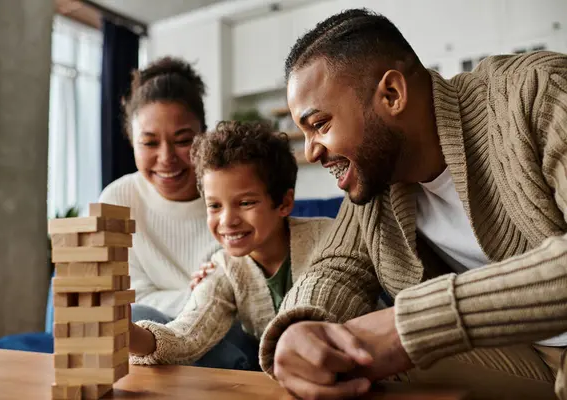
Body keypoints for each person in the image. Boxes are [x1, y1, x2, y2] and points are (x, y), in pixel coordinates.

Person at [257, 8, 567, 400]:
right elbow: (337, 268)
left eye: (319, 125)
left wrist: (412, 325)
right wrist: (298, 328)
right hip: (525, 359)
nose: (311, 151)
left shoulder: (540, 92)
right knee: (342, 362)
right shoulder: (377, 177)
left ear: (392, 95)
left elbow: (411, 327)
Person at [128, 121, 333, 367]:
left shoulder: (327, 237)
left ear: (284, 203)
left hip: (349, 370)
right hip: (274, 375)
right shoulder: (225, 267)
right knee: (135, 314)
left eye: (246, 203)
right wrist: (123, 332)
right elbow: (187, 336)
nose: (228, 221)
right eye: (214, 206)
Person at [99, 57, 253, 370]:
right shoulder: (117, 199)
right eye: (149, 142)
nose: (167, 158)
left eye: (183, 141)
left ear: (204, 135)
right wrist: (200, 297)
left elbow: (248, 298)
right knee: (127, 319)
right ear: (132, 141)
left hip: (227, 335)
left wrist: (213, 301)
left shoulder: (236, 194)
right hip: (147, 335)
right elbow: (124, 300)